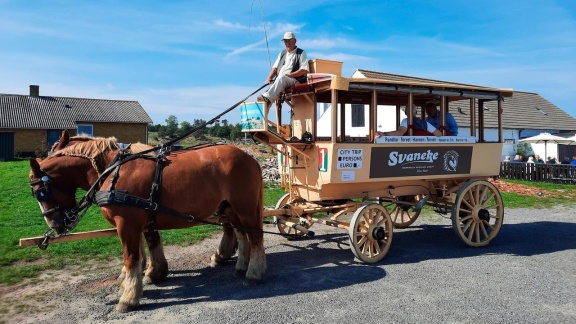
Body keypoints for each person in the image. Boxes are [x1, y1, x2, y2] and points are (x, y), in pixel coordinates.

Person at [257, 32, 309, 104]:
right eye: (285, 41)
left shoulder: (301, 53)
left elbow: (304, 70)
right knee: (266, 98)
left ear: (295, 41)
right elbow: (275, 68)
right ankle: (264, 110)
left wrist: (291, 75)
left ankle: (267, 97)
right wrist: (269, 78)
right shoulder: (282, 53)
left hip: (294, 80)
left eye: (289, 40)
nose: (287, 43)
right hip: (281, 81)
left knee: (282, 79)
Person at [376, 105, 441, 137]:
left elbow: (400, 133)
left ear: (405, 112)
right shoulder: (425, 123)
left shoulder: (406, 121)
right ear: (416, 112)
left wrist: (384, 134)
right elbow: (439, 134)